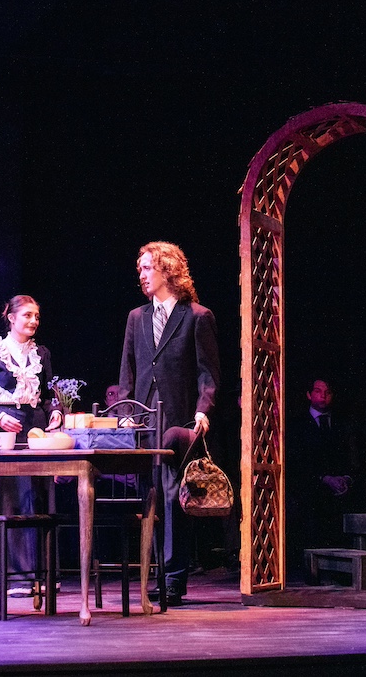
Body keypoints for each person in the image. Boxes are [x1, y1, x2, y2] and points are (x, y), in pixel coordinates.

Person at [118, 241, 221, 605]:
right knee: (150, 498)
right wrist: (126, 415)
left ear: (167, 269)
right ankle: (153, 572)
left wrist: (202, 411)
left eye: (147, 268)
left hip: (178, 422)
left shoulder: (197, 316)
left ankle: (174, 578)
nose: (142, 275)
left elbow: (208, 374)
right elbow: (127, 372)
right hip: (144, 422)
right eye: (141, 269)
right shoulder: (136, 318)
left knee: (174, 496)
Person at [0, 295, 62, 597]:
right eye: (27, 316)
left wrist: (56, 410)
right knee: (6, 499)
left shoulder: (41, 354)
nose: (34, 321)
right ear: (10, 317)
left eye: (37, 316)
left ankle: (39, 575)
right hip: (3, 433)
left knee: (35, 498)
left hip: (34, 430)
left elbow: (47, 394)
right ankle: (2, 578)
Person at [285, 377, 366, 581]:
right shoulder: (297, 425)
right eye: (318, 391)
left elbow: (352, 458)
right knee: (309, 502)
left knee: (363, 495)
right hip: (312, 483)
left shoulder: (342, 424)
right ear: (309, 395)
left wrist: (345, 478)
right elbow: (296, 463)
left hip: (340, 484)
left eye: (327, 392)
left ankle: (352, 568)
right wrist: (323, 478)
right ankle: (314, 568)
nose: (323, 396)